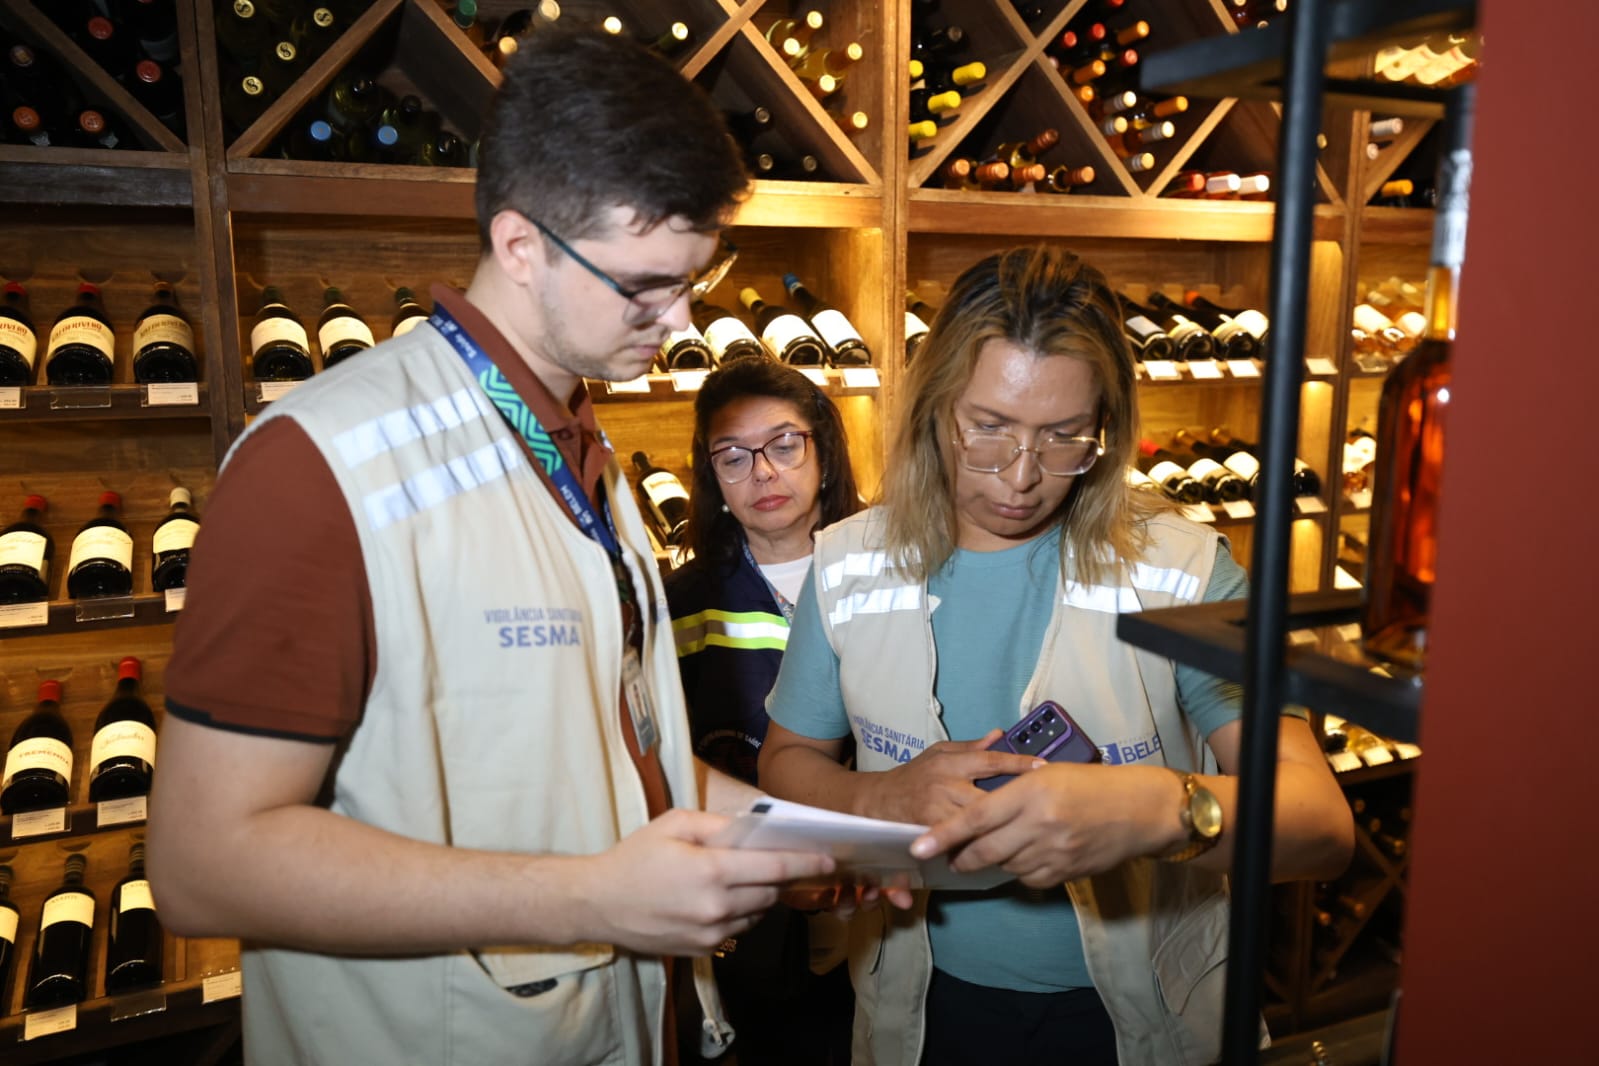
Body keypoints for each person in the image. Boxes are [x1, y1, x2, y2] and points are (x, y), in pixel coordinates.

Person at [145, 28, 837, 1066]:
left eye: (698, 275)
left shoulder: (576, 444)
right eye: (649, 283)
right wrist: (594, 898)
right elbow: (204, 862)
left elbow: (613, 760)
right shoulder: (318, 466)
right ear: (522, 246)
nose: (685, 317)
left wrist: (806, 836)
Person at [757, 245, 1355, 1066]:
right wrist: (881, 794)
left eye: (1065, 435)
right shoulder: (848, 561)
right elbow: (787, 761)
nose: (1023, 477)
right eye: (989, 429)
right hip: (923, 1014)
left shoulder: (1180, 569)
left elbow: (1318, 826)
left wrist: (1156, 811)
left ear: (1104, 429)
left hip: (1140, 1022)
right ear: (934, 408)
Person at [664, 358, 863, 1063]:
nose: (763, 473)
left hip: (891, 898)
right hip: (753, 918)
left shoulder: (893, 568)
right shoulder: (681, 605)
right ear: (710, 475)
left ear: (823, 449)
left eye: (784, 445)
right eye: (733, 456)